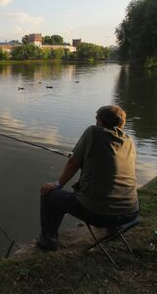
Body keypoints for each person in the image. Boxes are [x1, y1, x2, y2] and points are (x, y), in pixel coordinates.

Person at [37, 105, 139, 251]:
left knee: (49, 195)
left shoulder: (93, 132)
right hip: (131, 213)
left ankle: (48, 240)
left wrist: (58, 184)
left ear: (101, 122)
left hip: (100, 215)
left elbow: (73, 162)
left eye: (97, 119)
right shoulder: (129, 141)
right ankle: (113, 229)